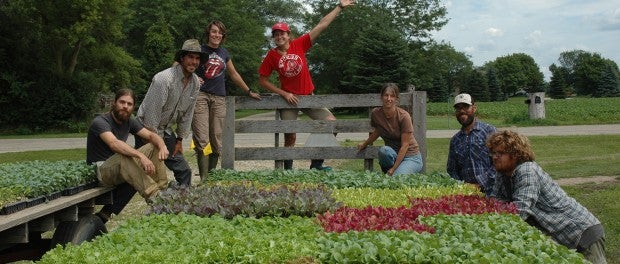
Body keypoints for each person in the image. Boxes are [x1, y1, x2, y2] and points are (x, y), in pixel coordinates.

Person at [258, 0, 355, 170]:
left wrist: (339, 6)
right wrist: (283, 93)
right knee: (290, 135)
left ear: (289, 35)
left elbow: (322, 25)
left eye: (282, 33)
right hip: (289, 100)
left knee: (331, 124)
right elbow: (263, 80)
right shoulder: (271, 56)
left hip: (308, 97)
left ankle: (316, 164)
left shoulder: (300, 44)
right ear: (273, 38)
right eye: (276, 34)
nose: (279, 37)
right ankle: (288, 171)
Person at [487, 130, 606, 264]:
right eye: (493, 153)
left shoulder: (526, 170)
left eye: (500, 153)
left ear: (515, 154)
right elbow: (494, 201)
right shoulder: (502, 172)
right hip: (562, 236)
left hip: (581, 233)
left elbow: (520, 212)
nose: (495, 157)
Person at [86, 88, 170, 223]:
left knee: (153, 145)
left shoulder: (129, 121)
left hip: (121, 167)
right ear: (114, 103)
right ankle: (155, 198)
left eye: (129, 104)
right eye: (122, 102)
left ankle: (163, 192)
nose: (125, 106)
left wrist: (162, 146)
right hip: (102, 170)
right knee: (125, 155)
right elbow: (114, 144)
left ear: (133, 107)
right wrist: (141, 157)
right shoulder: (100, 122)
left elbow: (150, 135)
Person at [192, 20, 261, 181]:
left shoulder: (224, 53)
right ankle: (203, 180)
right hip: (200, 96)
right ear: (208, 33)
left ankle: (211, 178)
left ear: (223, 36)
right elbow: (180, 65)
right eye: (213, 31)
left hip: (219, 98)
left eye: (219, 32)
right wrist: (194, 77)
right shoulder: (199, 50)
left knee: (216, 140)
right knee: (202, 139)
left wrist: (248, 91)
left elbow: (234, 74)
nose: (216, 35)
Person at [136, 39, 204, 186]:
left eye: (197, 58)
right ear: (182, 58)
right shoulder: (164, 79)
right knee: (150, 175)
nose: (194, 62)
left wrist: (179, 140)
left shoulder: (195, 83)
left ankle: (182, 203)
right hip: (146, 131)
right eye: (191, 57)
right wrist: (156, 144)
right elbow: (151, 116)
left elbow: (188, 114)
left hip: (165, 130)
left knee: (184, 171)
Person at [357, 83, 423, 176]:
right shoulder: (376, 114)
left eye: (392, 96)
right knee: (383, 151)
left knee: (396, 178)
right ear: (381, 97)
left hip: (410, 157)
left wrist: (393, 169)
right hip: (393, 155)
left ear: (396, 99)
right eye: (386, 95)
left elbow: (405, 146)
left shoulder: (404, 116)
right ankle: (388, 174)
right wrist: (364, 144)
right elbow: (378, 131)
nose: (389, 99)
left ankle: (393, 173)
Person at [447, 93, 497, 196]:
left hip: (492, 192)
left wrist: (480, 184)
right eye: (458, 108)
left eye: (465, 107)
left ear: (474, 108)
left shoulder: (489, 132)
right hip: (466, 194)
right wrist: (462, 186)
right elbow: (452, 170)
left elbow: (500, 164)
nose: (461, 111)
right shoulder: (455, 140)